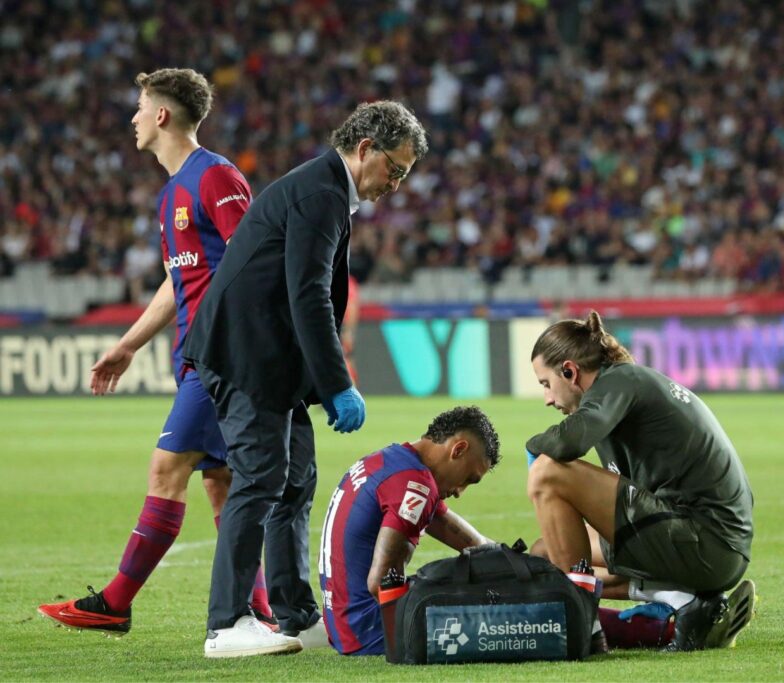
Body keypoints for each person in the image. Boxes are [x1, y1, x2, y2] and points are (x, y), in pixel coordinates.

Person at [182, 101, 428, 658]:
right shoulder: (322, 193)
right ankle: (226, 625)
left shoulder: (325, 191)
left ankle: (293, 615)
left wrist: (316, 385)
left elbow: (296, 293)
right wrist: (337, 382)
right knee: (262, 477)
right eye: (396, 168)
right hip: (245, 355)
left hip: (268, 360)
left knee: (295, 480)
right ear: (365, 147)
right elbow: (307, 294)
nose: (396, 183)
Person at [37, 68, 273, 635]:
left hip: (219, 357)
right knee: (220, 482)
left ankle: (115, 602)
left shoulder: (214, 176)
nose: (133, 118)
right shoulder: (172, 193)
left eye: (141, 107)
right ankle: (264, 609)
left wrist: (234, 346)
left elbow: (253, 259)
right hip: (195, 353)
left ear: (162, 115)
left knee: (166, 468)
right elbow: (179, 281)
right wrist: (127, 345)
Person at [525, 311, 755, 652]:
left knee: (547, 473)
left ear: (570, 371)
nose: (547, 398)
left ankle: (582, 627)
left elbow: (568, 444)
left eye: (546, 384)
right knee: (546, 556)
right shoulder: (619, 389)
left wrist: (533, 447)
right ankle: (685, 600)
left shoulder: (619, 383)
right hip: (699, 540)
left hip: (707, 540)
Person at [318, 406, 500, 655]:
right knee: (497, 619)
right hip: (373, 634)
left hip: (347, 625)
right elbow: (383, 584)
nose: (460, 491)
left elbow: (468, 539)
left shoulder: (395, 462)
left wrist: (507, 559)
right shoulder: (417, 487)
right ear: (458, 449)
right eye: (469, 478)